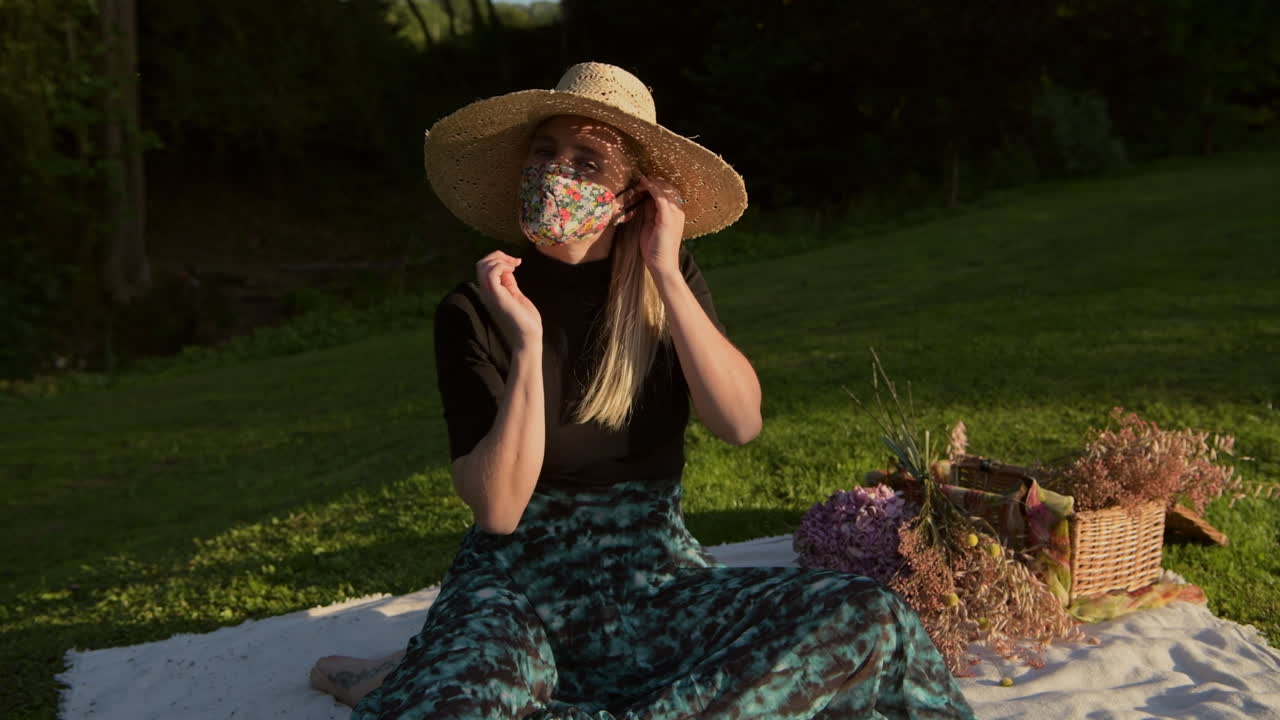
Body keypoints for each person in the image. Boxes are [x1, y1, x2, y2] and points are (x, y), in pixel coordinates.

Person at [310, 62, 977, 720]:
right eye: (546, 152)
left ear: (629, 195)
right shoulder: (477, 306)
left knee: (866, 616)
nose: (558, 172)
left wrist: (665, 269)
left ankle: (423, 671)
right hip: (515, 581)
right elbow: (499, 510)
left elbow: (740, 422)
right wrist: (530, 344)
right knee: (464, 704)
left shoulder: (663, 284)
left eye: (586, 161)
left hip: (652, 578)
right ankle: (428, 670)